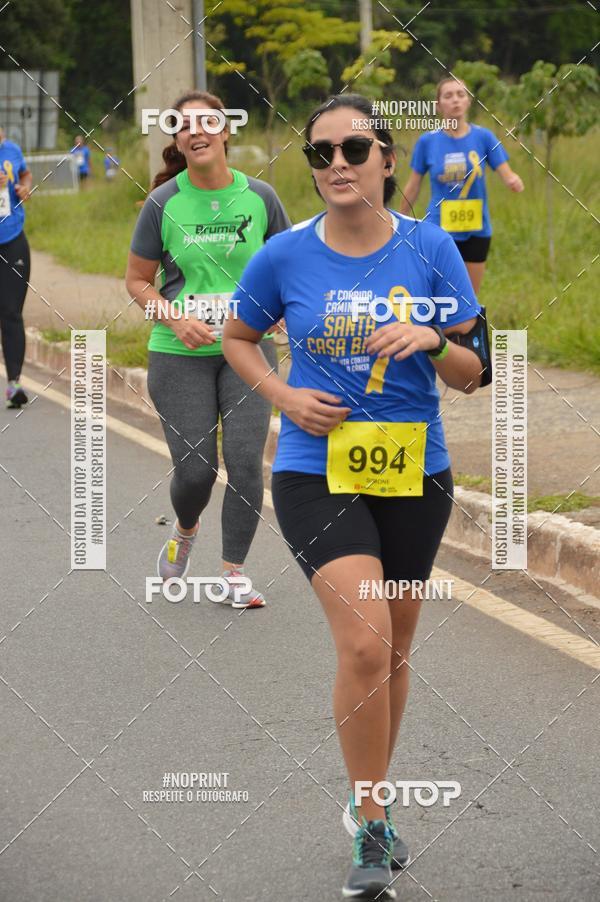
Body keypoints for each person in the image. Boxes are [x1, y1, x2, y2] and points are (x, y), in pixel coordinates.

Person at [223, 93, 485, 898]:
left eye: (354, 149)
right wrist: (283, 395)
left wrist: (435, 338)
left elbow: (476, 370)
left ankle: (368, 796)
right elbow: (239, 336)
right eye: (320, 153)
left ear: (387, 160)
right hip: (314, 469)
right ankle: (372, 821)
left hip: (415, 471)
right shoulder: (284, 255)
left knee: (395, 651)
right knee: (366, 643)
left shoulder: (431, 247)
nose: (336, 163)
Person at [125, 90, 290, 608]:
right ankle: (185, 526)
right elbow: (136, 281)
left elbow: (287, 265)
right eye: (184, 125)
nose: (196, 131)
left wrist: (285, 308)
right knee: (196, 470)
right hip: (179, 356)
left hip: (248, 349)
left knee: (244, 462)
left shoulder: (260, 197)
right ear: (176, 140)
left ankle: (233, 574)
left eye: (207, 122)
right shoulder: (162, 203)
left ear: (226, 132)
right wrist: (175, 317)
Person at [400, 77, 524, 292]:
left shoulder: (484, 137)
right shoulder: (427, 141)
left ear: (468, 101)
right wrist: (400, 221)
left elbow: (507, 173)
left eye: (461, 94)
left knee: (468, 297)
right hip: (439, 229)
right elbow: (413, 186)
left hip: (477, 228)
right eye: (448, 96)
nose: (455, 100)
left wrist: (513, 180)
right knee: (438, 293)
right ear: (439, 105)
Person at [0, 127, 32, 408]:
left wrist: (23, 188)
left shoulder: (11, 150)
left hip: (11, 238)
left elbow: (24, 175)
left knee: (11, 312)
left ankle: (14, 383)